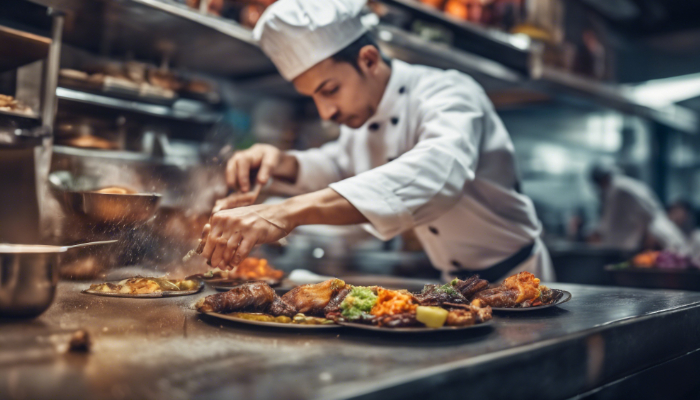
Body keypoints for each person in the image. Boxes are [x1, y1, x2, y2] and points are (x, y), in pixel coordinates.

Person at [200, 0, 555, 283]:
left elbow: (437, 173)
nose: (326, 112)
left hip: (521, 277)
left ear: (368, 59)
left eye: (330, 90)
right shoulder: (360, 118)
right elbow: (338, 166)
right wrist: (280, 161)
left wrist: (285, 212)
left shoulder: (449, 92)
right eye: (314, 98)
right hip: (456, 284)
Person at [588, 163, 687, 253]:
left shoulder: (617, 189)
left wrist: (598, 233)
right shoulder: (623, 184)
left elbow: (609, 222)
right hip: (656, 232)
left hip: (658, 235)